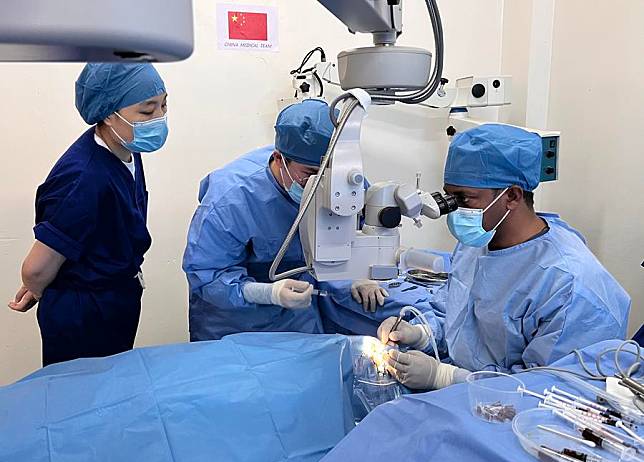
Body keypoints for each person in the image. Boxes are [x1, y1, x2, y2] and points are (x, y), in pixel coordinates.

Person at [379, 124, 631, 390]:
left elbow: (546, 389)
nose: (452, 210)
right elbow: (460, 319)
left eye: (464, 198)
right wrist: (422, 333)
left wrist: (445, 377)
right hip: (470, 392)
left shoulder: (569, 285)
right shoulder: (477, 243)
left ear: (511, 196)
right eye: (449, 197)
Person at [183, 99, 387, 341]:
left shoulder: (342, 182)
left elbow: (364, 225)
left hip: (298, 315)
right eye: (311, 174)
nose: (323, 183)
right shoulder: (232, 200)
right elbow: (208, 275)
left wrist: (361, 274)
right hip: (234, 321)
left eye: (330, 172)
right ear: (279, 159)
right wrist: (267, 294)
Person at [8, 63, 169, 366]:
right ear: (109, 113)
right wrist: (51, 286)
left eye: (163, 105)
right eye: (147, 112)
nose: (159, 118)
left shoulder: (125, 148)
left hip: (112, 299)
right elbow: (34, 270)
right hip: (85, 314)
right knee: (80, 400)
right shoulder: (84, 176)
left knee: (108, 389)